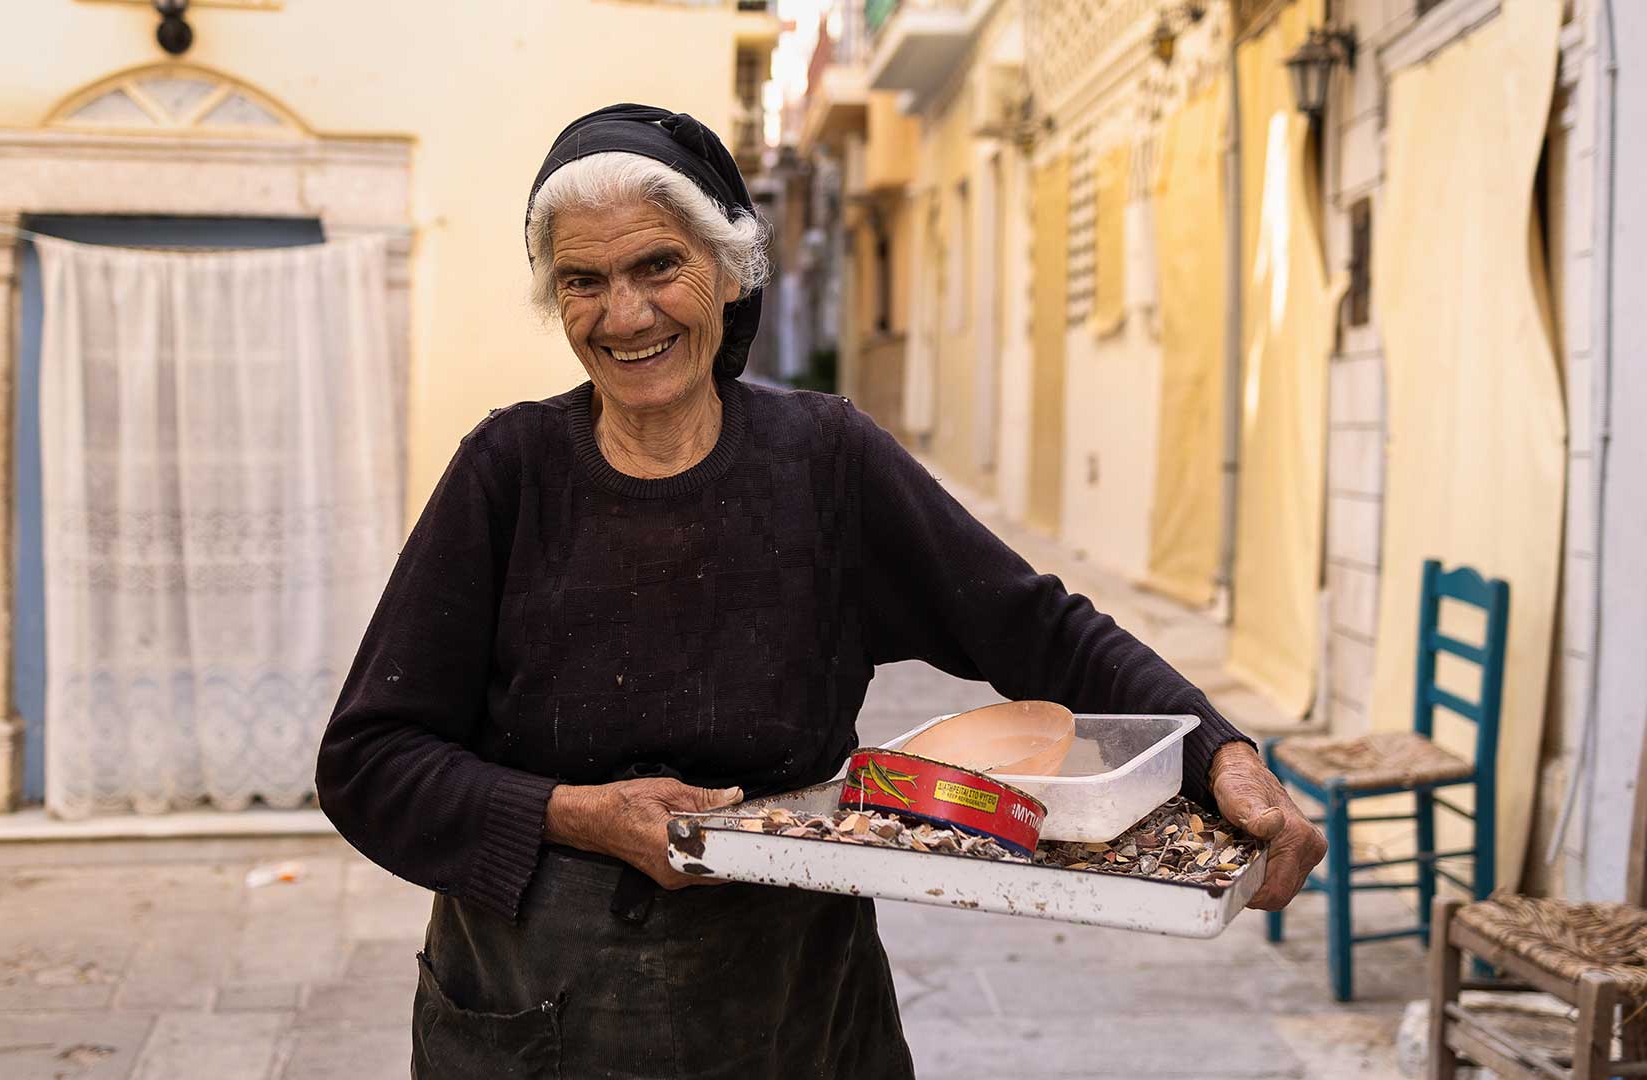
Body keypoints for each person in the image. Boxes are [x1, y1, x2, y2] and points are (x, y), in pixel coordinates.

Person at [317, 103, 1326, 1079]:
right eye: (584, 281)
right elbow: (370, 762)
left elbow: (1034, 626)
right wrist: (580, 813)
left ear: (726, 269)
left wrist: (1219, 750)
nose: (624, 313)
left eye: (658, 265)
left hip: (798, 997)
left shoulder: (823, 460)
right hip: (544, 1003)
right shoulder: (506, 473)